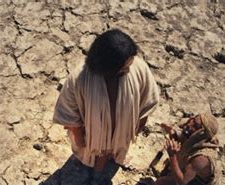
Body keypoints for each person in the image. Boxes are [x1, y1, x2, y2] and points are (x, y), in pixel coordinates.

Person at [53, 29, 159, 172]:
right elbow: (69, 112)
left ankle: (111, 156)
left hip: (122, 132)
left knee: (113, 153)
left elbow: (147, 101)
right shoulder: (79, 79)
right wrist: (79, 138)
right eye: (123, 69)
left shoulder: (138, 68)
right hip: (91, 136)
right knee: (94, 161)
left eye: (129, 66)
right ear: (108, 67)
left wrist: (136, 128)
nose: (128, 71)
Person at [154, 113, 220, 185]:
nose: (190, 123)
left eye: (195, 125)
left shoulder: (201, 158)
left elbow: (181, 182)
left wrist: (173, 156)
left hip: (197, 182)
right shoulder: (196, 139)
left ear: (200, 133)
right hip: (191, 169)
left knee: (161, 184)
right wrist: (173, 134)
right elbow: (185, 141)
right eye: (192, 119)